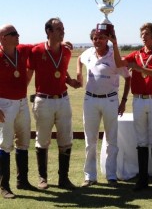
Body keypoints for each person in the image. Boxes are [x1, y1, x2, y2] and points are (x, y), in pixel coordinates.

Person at [112, 22, 152, 192]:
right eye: (142, 33)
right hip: (138, 100)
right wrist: (114, 44)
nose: (144, 36)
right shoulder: (136, 54)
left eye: (147, 33)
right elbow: (118, 63)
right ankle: (143, 179)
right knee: (141, 140)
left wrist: (140, 68)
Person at [27, 17, 79, 190]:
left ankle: (63, 178)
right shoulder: (36, 51)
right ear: (49, 31)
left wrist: (71, 82)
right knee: (42, 140)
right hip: (43, 101)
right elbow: (29, 74)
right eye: (58, 29)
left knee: (66, 139)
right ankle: (43, 178)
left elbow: (61, 72)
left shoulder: (67, 51)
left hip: (63, 100)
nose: (62, 31)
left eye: (63, 28)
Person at [77, 27, 130, 187]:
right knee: (90, 140)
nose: (97, 41)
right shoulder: (88, 53)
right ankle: (90, 176)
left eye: (100, 38)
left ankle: (111, 176)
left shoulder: (114, 56)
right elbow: (79, 58)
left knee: (111, 140)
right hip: (90, 100)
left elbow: (128, 78)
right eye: (94, 38)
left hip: (110, 101)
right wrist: (79, 73)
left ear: (107, 39)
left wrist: (124, 101)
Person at [0, 24, 36, 199]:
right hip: (4, 104)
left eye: (17, 32)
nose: (18, 35)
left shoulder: (22, 50)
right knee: (4, 144)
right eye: (13, 34)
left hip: (22, 102)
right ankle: (4, 186)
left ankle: (23, 181)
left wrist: (62, 43)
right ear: (3, 38)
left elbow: (40, 46)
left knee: (23, 141)